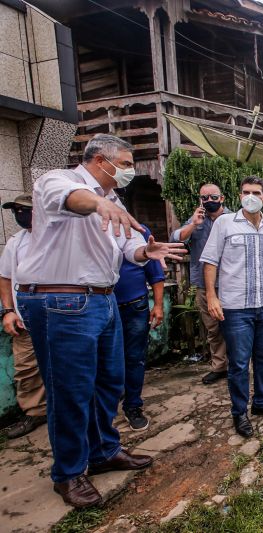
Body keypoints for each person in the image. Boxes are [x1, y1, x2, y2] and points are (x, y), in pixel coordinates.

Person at [15, 134, 186, 508]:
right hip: (61, 299)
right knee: (71, 391)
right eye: (124, 164)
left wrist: (146, 250)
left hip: (103, 299)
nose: (129, 171)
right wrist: (96, 204)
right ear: (99, 160)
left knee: (110, 381)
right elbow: (73, 201)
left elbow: (126, 247)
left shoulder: (113, 200)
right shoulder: (60, 181)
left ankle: (104, 451)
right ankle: (69, 473)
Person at [201, 176, 263, 438]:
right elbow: (210, 262)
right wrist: (211, 296)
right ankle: (239, 412)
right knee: (239, 364)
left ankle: (262, 403)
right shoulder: (224, 223)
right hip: (235, 307)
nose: (249, 196)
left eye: (255, 192)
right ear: (239, 196)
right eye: (245, 192)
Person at [171, 184, 231, 385]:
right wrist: (194, 224)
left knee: (235, 326)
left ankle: (238, 366)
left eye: (213, 196)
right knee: (213, 328)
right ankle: (219, 367)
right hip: (205, 285)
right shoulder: (196, 220)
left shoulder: (233, 219)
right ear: (200, 200)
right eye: (204, 197)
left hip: (231, 282)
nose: (209, 200)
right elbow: (175, 238)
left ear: (222, 198)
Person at [0, 194, 46, 439]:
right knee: (27, 368)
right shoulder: (16, 243)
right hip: (24, 319)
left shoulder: (56, 237)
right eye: (16, 210)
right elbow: (5, 277)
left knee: (69, 365)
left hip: (60, 316)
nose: (20, 215)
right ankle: (35, 411)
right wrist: (7, 311)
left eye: (24, 210)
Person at [113, 224, 165, 431]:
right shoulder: (88, 227)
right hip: (102, 306)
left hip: (135, 305)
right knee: (104, 360)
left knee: (135, 357)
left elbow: (155, 273)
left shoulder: (139, 231)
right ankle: (103, 409)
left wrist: (158, 305)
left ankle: (133, 405)